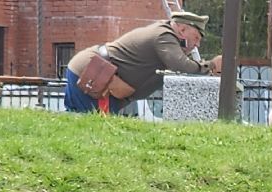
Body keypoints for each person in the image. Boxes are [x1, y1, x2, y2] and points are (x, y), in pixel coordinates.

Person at [63, 12, 222, 115]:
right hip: (95, 75)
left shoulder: (166, 38)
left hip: (104, 79)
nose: (197, 45)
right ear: (181, 29)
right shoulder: (164, 36)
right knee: (88, 125)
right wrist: (212, 65)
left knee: (86, 125)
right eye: (196, 38)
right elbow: (181, 66)